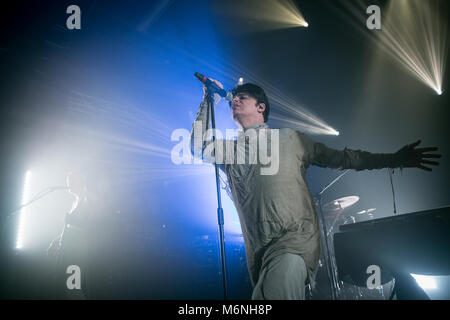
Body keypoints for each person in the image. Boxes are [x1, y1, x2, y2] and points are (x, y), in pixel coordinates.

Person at [189, 80, 441, 300]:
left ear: (260, 107)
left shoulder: (290, 139)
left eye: (243, 97)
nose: (235, 100)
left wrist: (393, 159)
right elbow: (197, 146)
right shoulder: (230, 151)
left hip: (294, 242)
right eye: (234, 97)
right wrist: (208, 98)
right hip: (261, 253)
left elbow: (345, 158)